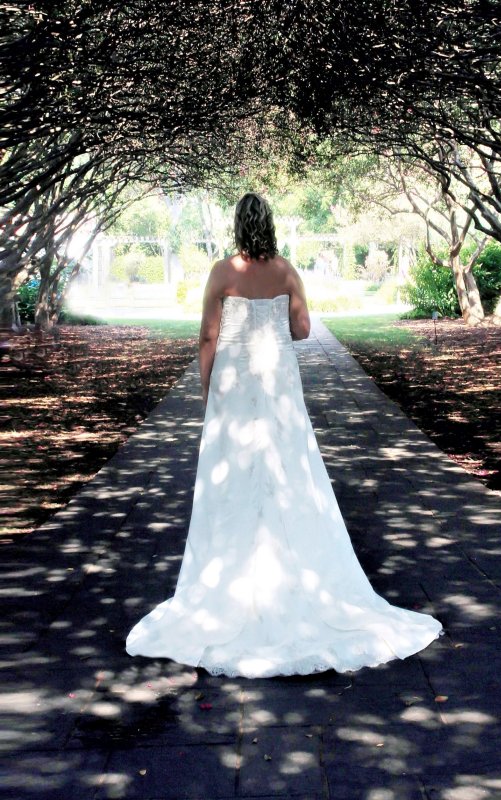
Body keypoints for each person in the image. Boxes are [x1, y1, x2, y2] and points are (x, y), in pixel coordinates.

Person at [125, 192, 443, 678]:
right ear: (269, 224)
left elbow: (208, 336)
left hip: (233, 383)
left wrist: (208, 389)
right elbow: (301, 329)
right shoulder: (287, 270)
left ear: (237, 224)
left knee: (231, 479)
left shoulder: (220, 272)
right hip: (276, 384)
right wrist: (272, 317)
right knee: (287, 466)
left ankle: (230, 578)